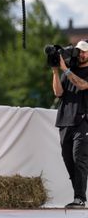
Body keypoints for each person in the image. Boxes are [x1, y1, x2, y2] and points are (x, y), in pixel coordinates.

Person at [52, 39, 88, 209]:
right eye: (80, 51)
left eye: (85, 51)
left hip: (83, 121)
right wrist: (54, 71)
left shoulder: (72, 71)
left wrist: (65, 70)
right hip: (65, 120)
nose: (81, 54)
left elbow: (82, 85)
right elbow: (58, 92)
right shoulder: (70, 69)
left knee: (78, 158)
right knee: (68, 160)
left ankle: (80, 198)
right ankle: (78, 196)